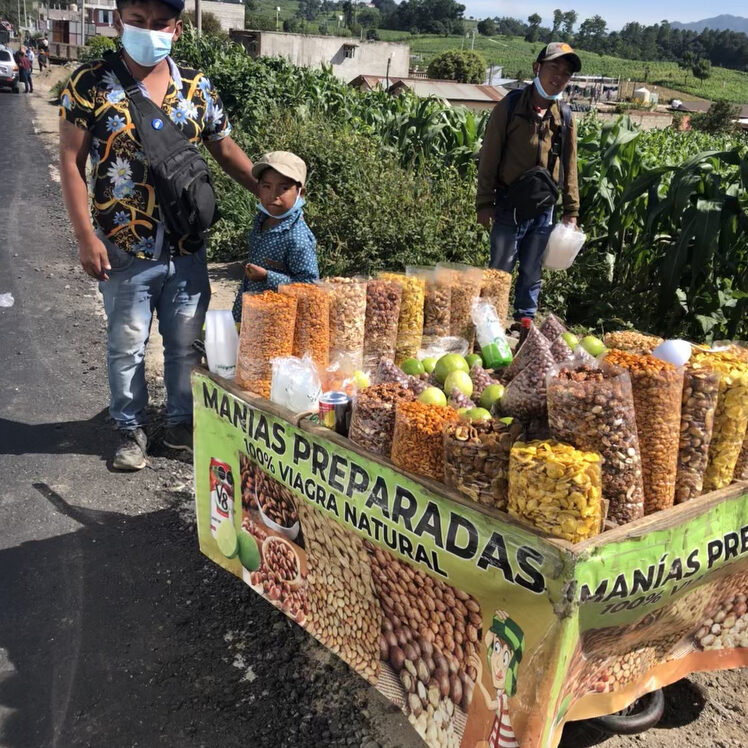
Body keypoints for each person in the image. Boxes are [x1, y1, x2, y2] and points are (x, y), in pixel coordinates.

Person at [59, 0, 259, 471]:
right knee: (127, 345)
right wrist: (85, 236)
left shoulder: (196, 86)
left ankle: (179, 425)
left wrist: (270, 191)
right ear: (120, 22)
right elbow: (70, 161)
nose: (148, 30)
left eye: (159, 23)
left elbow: (225, 148)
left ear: (177, 29)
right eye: (137, 21)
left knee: (185, 343)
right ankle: (129, 429)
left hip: (187, 245)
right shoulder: (90, 82)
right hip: (124, 245)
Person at [477, 42, 581, 326]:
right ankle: (490, 325)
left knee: (533, 269)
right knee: (500, 269)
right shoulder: (510, 106)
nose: (559, 76)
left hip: (544, 208)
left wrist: (571, 210)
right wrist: (484, 201)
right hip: (509, 203)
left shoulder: (564, 116)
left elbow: (570, 165)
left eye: (566, 73)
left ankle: (524, 324)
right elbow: (489, 155)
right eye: (553, 67)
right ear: (537, 68)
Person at [231, 151, 318, 322]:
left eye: (284, 188)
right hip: (251, 312)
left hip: (278, 321)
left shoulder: (297, 237)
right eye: (266, 186)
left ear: (300, 193)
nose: (273, 195)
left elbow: (309, 285)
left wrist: (267, 277)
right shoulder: (262, 220)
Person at [469, 610, 525, 748]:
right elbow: (489, 640)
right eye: (497, 649)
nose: (499, 664)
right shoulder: (502, 693)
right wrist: (497, 624)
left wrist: (479, 681)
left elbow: (489, 705)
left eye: (505, 659)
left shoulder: (505, 699)